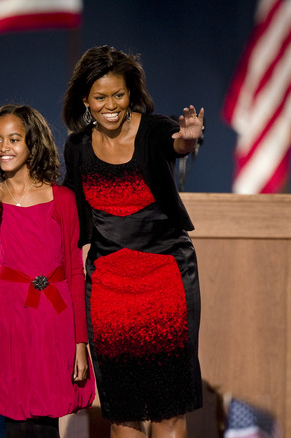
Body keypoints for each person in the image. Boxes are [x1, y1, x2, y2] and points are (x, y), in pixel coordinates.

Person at [60, 45, 204, 438]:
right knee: (123, 411)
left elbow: (177, 143)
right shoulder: (77, 147)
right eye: (101, 97)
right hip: (108, 288)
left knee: (168, 409)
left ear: (131, 94)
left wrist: (188, 140)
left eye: (118, 95)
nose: (111, 105)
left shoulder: (154, 129)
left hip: (167, 280)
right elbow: (69, 209)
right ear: (85, 100)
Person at [0, 104, 96, 437]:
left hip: (53, 319)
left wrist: (80, 344)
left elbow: (74, 271)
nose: (4, 148)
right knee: (14, 419)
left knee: (46, 419)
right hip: (11, 316)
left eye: (14, 139)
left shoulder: (63, 199)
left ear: (33, 144)